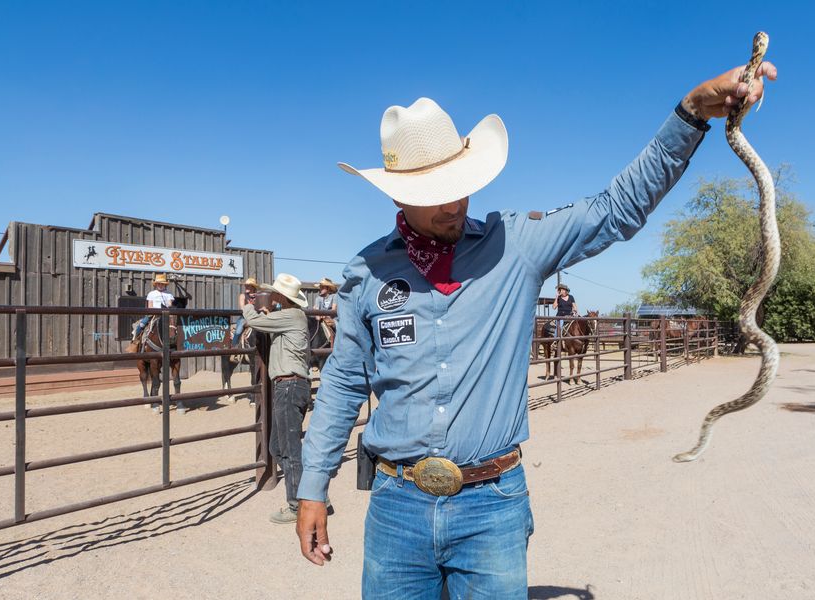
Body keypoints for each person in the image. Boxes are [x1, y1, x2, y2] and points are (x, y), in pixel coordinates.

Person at [296, 61, 777, 597]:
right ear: (396, 195)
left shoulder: (517, 244)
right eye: (437, 192)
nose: (456, 202)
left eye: (462, 184)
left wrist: (689, 116)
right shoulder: (369, 272)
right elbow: (343, 383)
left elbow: (616, 208)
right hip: (396, 505)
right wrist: (312, 488)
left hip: (491, 504)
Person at [242, 272, 312, 524]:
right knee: (277, 447)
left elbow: (254, 321)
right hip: (290, 386)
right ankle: (312, 496)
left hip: (289, 386)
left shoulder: (291, 316)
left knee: (290, 450)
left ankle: (297, 505)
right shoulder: (293, 316)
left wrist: (250, 305)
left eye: (274, 293)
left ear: (281, 296)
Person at [126, 273, 174, 352]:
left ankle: (176, 344)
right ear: (156, 285)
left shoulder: (169, 294)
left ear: (165, 285)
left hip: (166, 314)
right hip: (153, 314)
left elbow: (170, 305)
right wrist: (156, 312)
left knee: (174, 327)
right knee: (141, 325)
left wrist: (166, 309)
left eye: (162, 284)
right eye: (158, 284)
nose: (160, 285)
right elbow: (150, 306)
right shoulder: (151, 294)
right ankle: (135, 342)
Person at [231, 277, 259, 348]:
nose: (246, 286)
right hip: (245, 317)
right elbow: (242, 309)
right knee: (238, 331)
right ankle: (234, 347)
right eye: (245, 285)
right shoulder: (243, 296)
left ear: (253, 287)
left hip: (257, 316)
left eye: (248, 285)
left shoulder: (259, 296)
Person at [313, 277, 339, 345]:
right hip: (322, 321)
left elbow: (334, 310)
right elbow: (316, 314)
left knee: (339, 327)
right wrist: (320, 317)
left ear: (328, 288)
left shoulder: (334, 296)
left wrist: (325, 316)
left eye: (322, 287)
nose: (320, 289)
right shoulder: (318, 298)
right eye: (320, 287)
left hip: (332, 320)